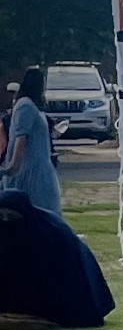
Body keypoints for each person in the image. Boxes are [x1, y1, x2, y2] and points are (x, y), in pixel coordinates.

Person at [2, 67, 64, 222]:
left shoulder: (34, 107)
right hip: (29, 172)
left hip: (40, 167)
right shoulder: (25, 105)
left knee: (47, 214)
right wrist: (13, 166)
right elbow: (21, 138)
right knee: (34, 213)